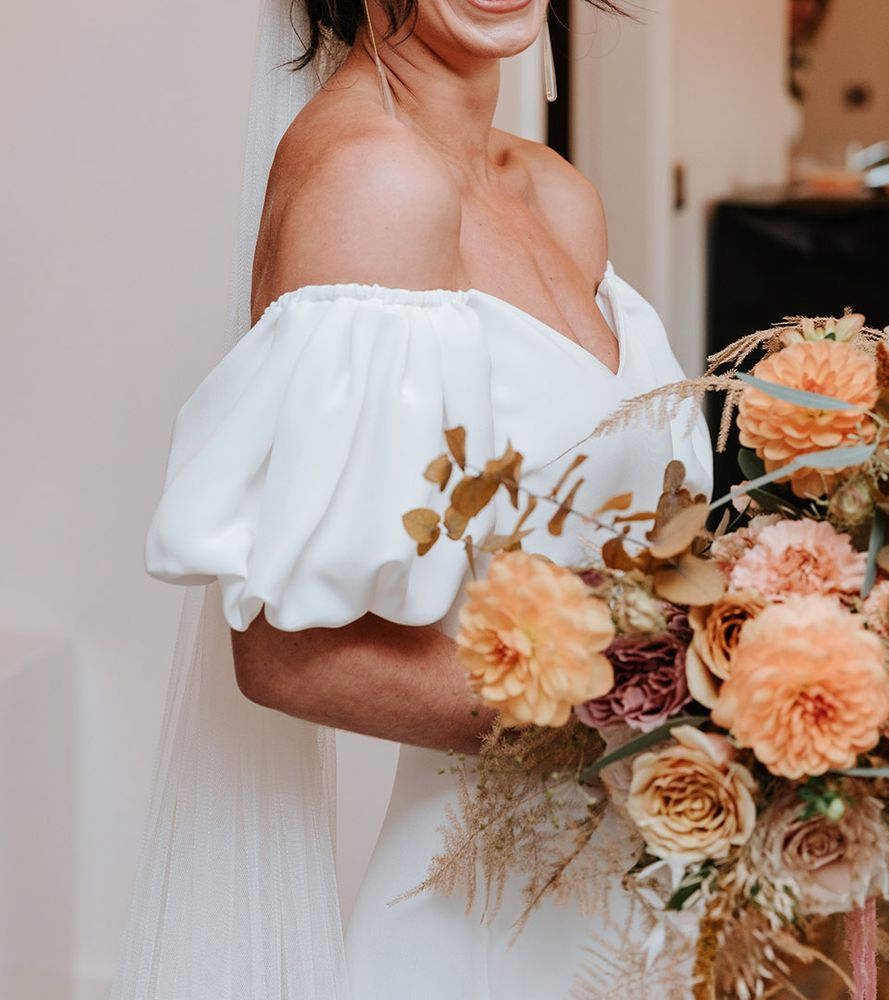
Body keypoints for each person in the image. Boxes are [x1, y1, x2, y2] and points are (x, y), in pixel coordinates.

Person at [112, 1, 712, 997]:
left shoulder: (556, 193)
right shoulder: (372, 183)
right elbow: (285, 659)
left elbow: (626, 558)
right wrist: (656, 709)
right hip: (487, 913)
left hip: (635, 887)